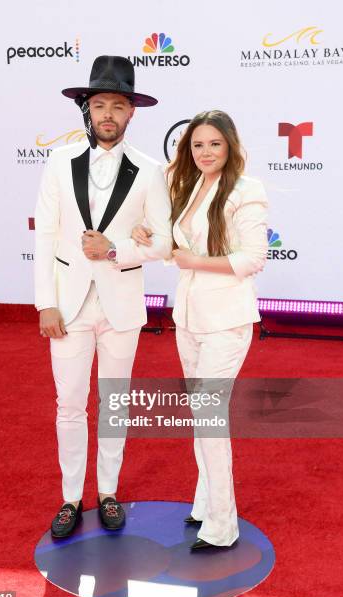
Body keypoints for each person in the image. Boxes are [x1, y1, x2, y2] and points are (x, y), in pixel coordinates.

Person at [34, 56, 171, 538]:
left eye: (118, 105)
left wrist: (115, 248)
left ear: (132, 112)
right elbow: (45, 236)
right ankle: (71, 497)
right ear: (86, 110)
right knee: (69, 404)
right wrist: (44, 302)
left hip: (122, 304)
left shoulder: (151, 171)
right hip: (67, 306)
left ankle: (108, 491)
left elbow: (162, 242)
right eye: (99, 104)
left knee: (115, 402)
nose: (108, 113)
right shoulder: (58, 162)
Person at [132, 110, 268, 550]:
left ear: (230, 146)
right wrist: (146, 238)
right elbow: (174, 249)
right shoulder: (188, 188)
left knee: (210, 421)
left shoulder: (246, 191)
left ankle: (222, 526)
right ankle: (205, 504)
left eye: (214, 144)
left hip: (227, 322)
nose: (206, 152)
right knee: (201, 419)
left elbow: (253, 259)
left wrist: (194, 262)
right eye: (197, 145)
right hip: (188, 319)